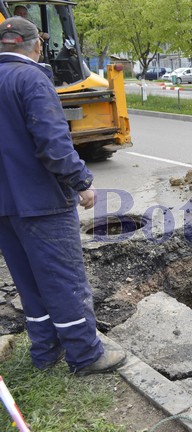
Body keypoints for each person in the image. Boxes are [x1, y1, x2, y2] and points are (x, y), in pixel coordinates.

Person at [0, 17, 126, 375]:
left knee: (28, 281)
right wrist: (82, 182)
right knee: (64, 280)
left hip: (4, 207)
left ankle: (45, 352)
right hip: (40, 202)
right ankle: (86, 355)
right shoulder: (31, 79)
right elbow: (53, 144)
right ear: (36, 46)